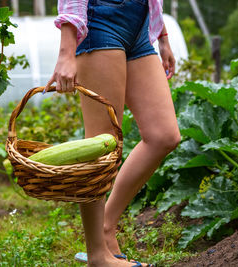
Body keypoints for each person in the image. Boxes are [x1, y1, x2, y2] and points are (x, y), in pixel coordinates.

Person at [45, 0, 181, 266]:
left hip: (139, 27)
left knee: (163, 135)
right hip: (100, 21)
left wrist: (162, 35)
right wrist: (66, 50)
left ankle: (106, 226)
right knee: (101, 146)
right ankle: (97, 254)